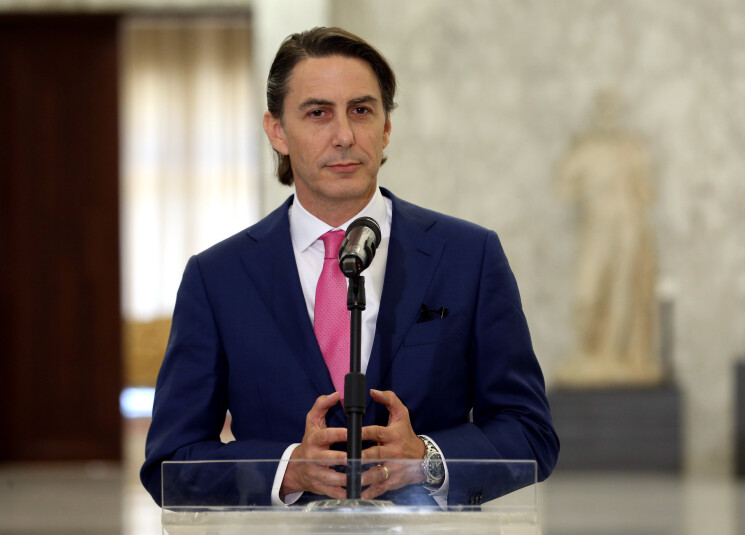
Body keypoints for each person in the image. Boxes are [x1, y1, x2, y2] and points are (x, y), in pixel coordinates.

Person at [141, 26, 559, 508]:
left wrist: (427, 459)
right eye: (318, 113)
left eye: (361, 111)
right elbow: (171, 463)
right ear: (277, 131)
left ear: (385, 128)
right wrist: (286, 470)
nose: (344, 136)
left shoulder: (470, 255)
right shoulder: (218, 278)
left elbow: (529, 432)